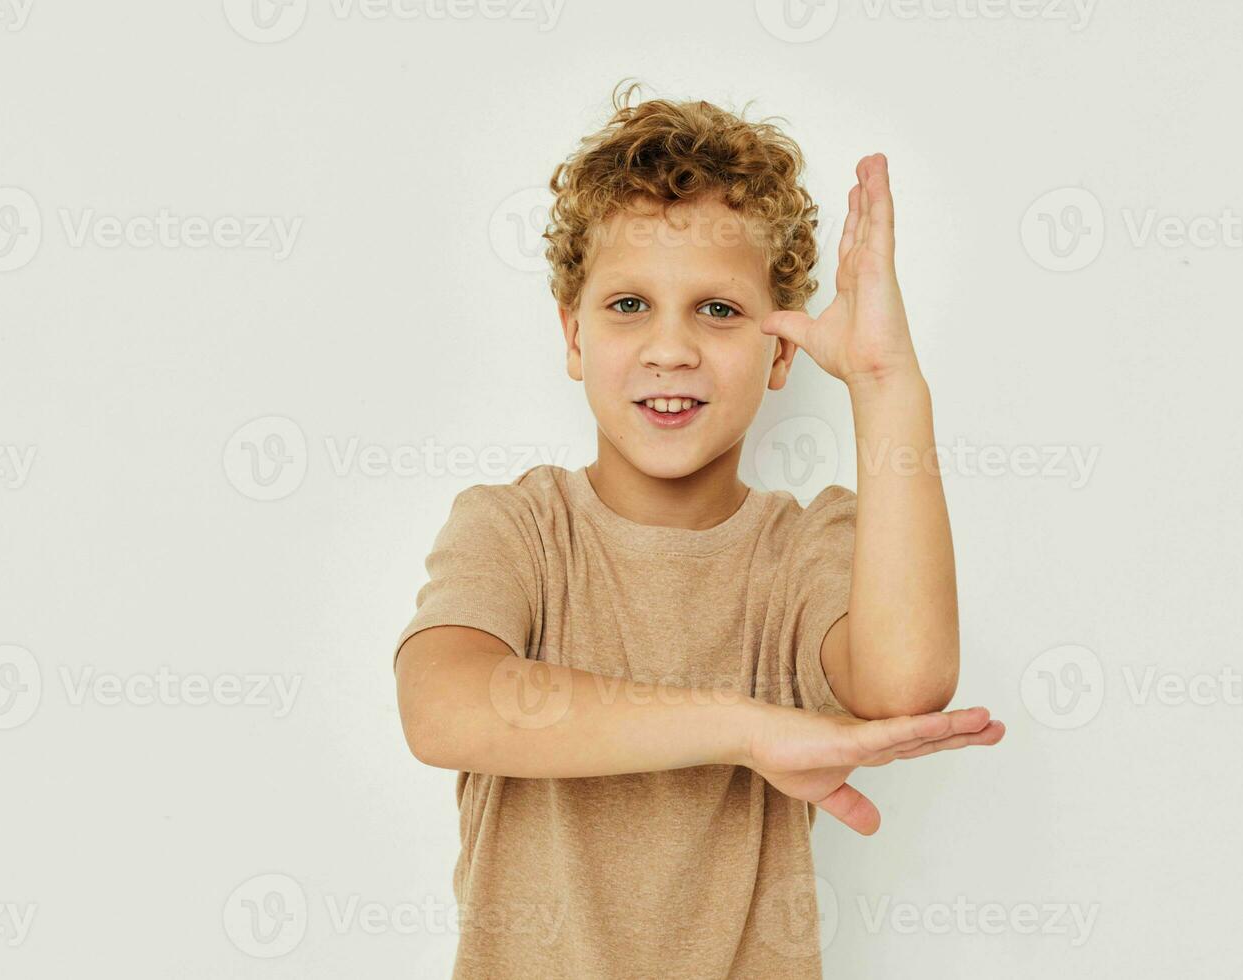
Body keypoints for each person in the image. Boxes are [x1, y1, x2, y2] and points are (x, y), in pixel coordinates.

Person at [392, 80, 1006, 979]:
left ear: (783, 349)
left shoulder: (806, 549)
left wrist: (885, 384)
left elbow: (907, 681)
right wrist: (744, 729)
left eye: (718, 310)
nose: (670, 347)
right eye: (629, 304)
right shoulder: (518, 529)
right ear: (572, 334)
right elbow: (443, 707)